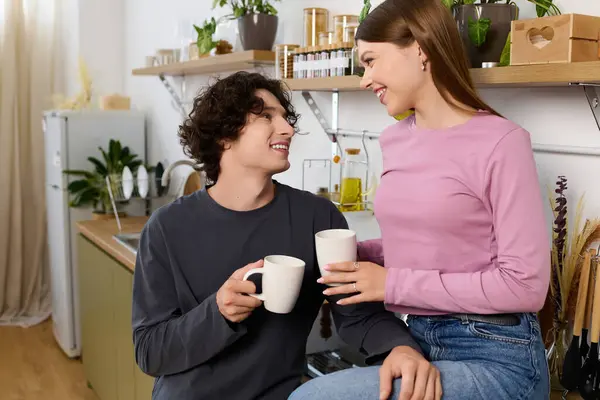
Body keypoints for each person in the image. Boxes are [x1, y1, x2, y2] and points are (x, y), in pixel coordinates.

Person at [288, 0, 551, 399]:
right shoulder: (395, 140)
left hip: (496, 353)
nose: (364, 79)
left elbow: (525, 287)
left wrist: (391, 283)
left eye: (371, 60)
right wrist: (359, 254)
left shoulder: (502, 142)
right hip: (416, 338)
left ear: (420, 49)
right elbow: (431, 246)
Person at [131, 71, 439, 400]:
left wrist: (400, 347)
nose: (287, 128)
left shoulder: (318, 218)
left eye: (284, 116)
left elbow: (356, 312)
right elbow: (151, 351)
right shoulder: (166, 228)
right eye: (266, 116)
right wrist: (218, 312)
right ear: (224, 136)